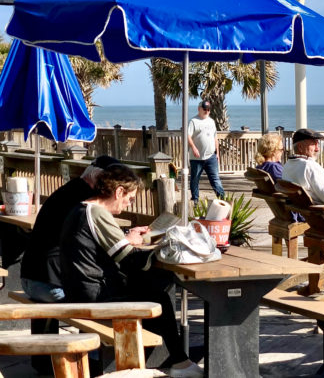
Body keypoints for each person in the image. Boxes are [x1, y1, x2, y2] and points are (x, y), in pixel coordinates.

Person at [59, 164, 203, 377]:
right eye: (131, 197)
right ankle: (180, 362)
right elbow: (128, 259)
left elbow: (114, 247)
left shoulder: (81, 208)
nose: (129, 203)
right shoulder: (97, 212)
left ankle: (178, 359)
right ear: (118, 192)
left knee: (150, 287)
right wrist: (160, 248)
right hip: (94, 296)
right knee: (157, 296)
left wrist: (140, 239)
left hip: (79, 290)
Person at [20, 155, 122, 302]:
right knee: (119, 298)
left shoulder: (68, 190)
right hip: (52, 285)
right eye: (113, 181)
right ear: (100, 178)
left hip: (31, 279)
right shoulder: (87, 203)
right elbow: (99, 246)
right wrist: (126, 240)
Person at [282, 128, 324, 230]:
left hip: (312, 219)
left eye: (318, 144)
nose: (317, 149)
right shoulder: (309, 166)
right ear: (300, 147)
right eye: (314, 144)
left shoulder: (288, 166)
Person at [188, 99, 225, 204]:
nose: (207, 111)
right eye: (205, 109)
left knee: (215, 179)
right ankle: (195, 200)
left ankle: (223, 199)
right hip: (196, 158)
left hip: (211, 157)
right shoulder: (193, 121)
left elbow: (215, 137)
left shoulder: (211, 121)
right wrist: (194, 147)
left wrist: (217, 153)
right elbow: (188, 136)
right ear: (199, 109)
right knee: (195, 179)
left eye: (208, 109)